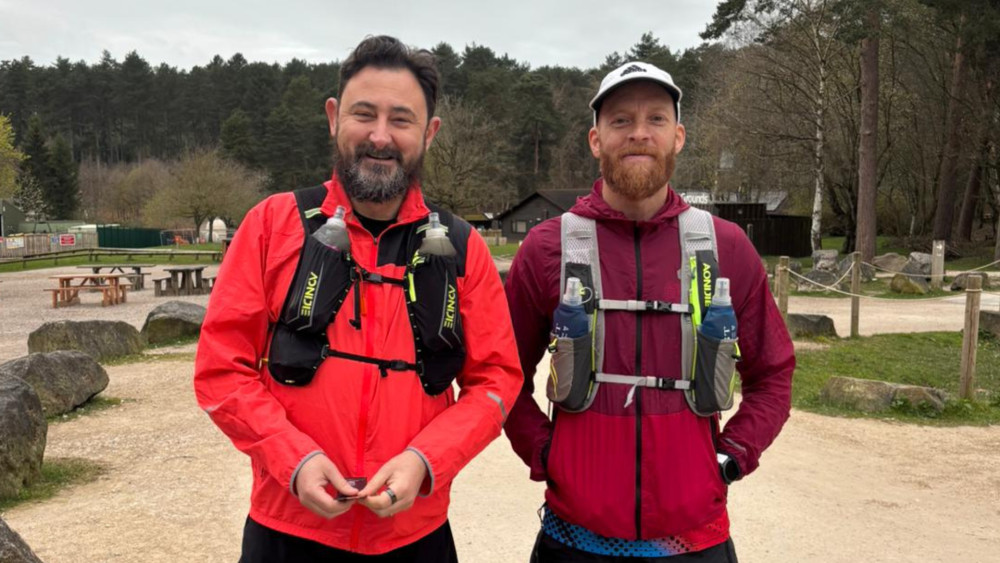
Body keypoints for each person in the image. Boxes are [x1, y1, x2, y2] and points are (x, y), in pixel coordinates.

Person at [194, 35, 522, 562]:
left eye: (401, 119)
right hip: (286, 531)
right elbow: (220, 371)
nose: (380, 136)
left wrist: (427, 459)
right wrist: (291, 458)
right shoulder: (270, 226)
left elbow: (496, 380)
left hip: (416, 537)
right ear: (333, 116)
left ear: (430, 132)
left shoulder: (464, 248)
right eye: (363, 114)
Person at [503, 61, 795, 562]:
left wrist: (731, 456)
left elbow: (773, 373)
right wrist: (545, 452)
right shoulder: (547, 247)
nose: (639, 134)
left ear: (678, 136)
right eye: (620, 120)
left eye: (656, 119)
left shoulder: (726, 246)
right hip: (573, 541)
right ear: (595, 139)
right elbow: (501, 373)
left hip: (695, 543)